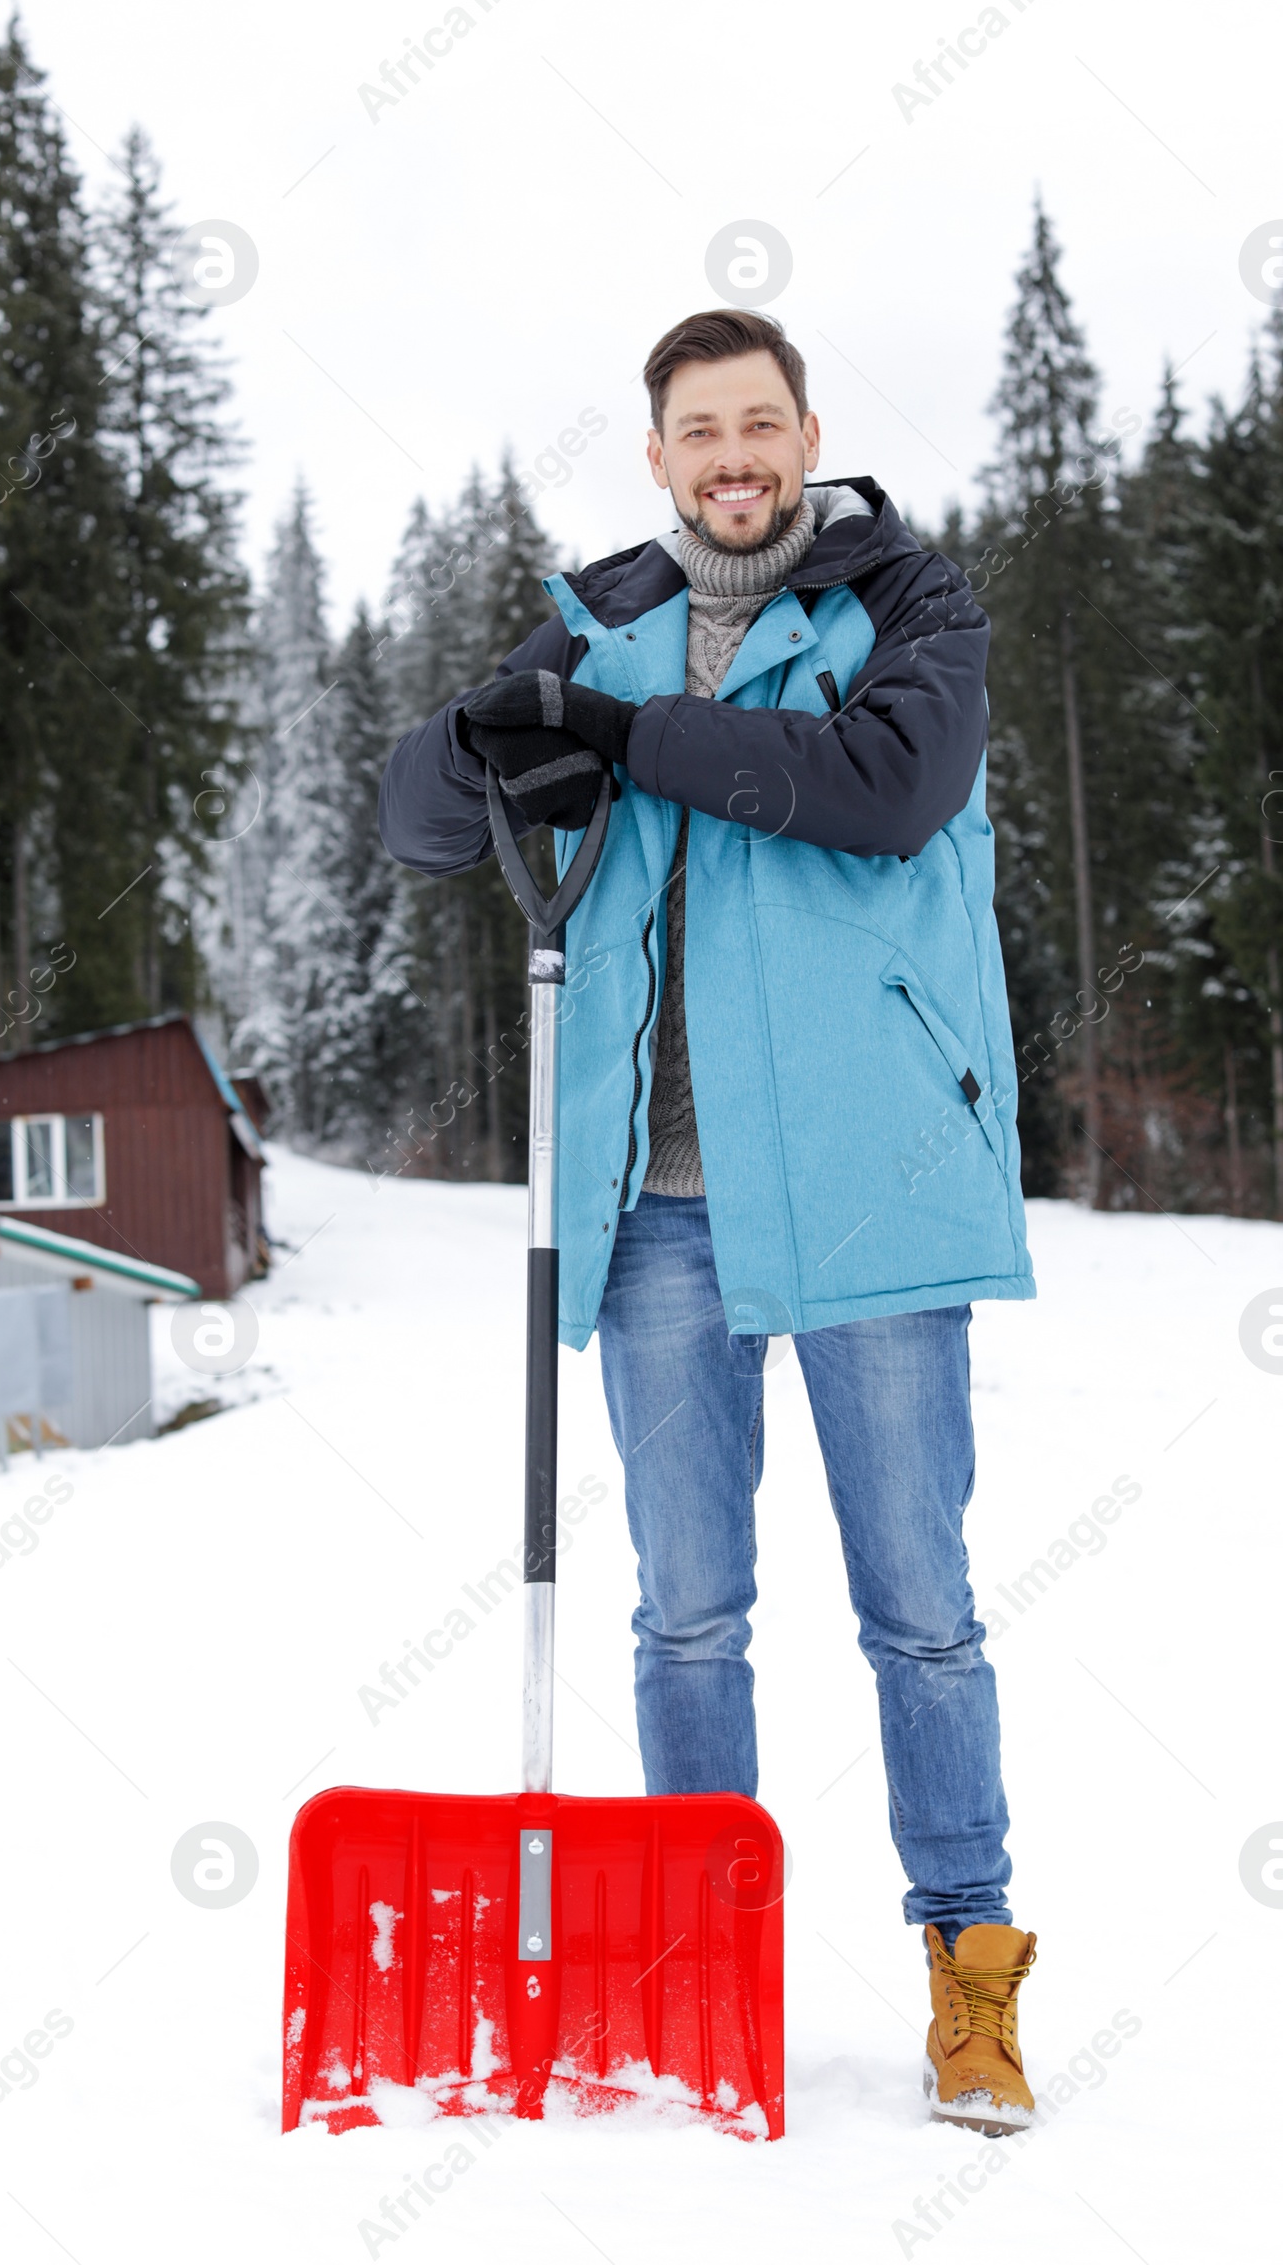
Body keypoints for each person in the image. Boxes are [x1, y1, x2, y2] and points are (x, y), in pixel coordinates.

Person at [378, 308, 1038, 2135]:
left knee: (921, 1614)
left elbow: (880, 794)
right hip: (657, 1213)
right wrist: (484, 728)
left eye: (762, 423)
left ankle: (970, 1979)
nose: (733, 455)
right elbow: (423, 824)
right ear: (659, 455)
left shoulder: (912, 605)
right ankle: (701, 1968)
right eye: (699, 431)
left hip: (871, 1189)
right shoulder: (598, 623)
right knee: (688, 1619)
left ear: (806, 433)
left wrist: (620, 728)